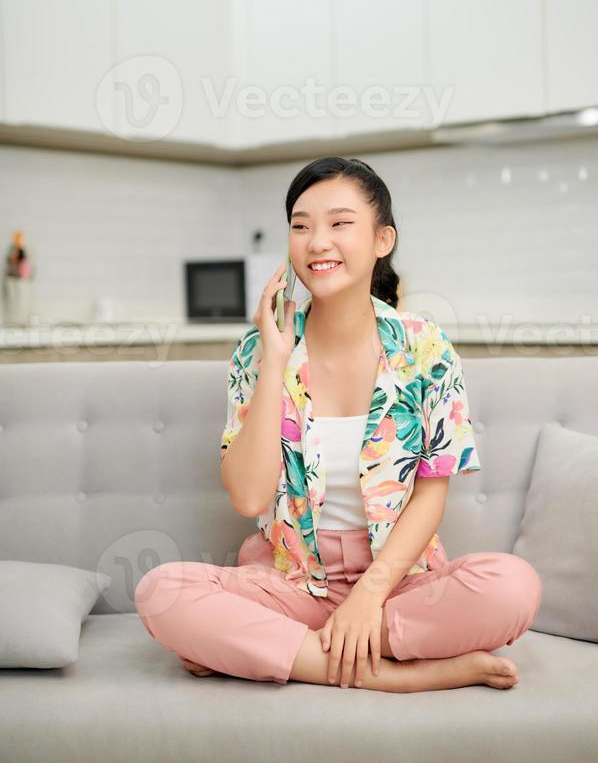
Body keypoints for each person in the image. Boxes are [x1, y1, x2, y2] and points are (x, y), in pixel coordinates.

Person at [135, 156, 542, 693]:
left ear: (382, 240)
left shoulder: (425, 347)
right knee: (161, 592)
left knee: (512, 586)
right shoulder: (258, 351)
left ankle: (284, 650)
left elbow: (430, 495)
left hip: (397, 582)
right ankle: (397, 675)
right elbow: (249, 497)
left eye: (339, 223)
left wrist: (370, 595)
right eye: (301, 225)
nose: (317, 241)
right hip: (291, 579)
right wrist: (275, 364)